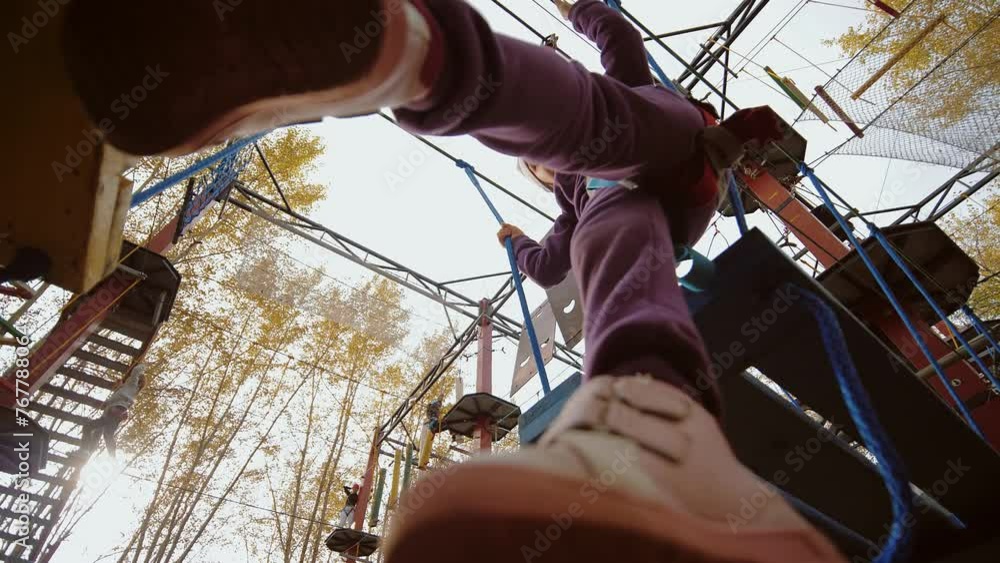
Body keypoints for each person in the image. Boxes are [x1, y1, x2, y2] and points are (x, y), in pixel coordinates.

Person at [62, 1, 845, 561]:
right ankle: (652, 416)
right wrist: (520, 243)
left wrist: (584, 11)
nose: (538, 170)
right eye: (536, 171)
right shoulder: (577, 200)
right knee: (608, 233)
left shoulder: (613, 116)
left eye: (533, 164)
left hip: (685, 145)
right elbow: (551, 263)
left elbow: (620, 44)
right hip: (638, 206)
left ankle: (414, 55)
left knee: (595, 121)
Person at [79, 364, 147, 458]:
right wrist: (107, 402)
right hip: (115, 414)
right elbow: (115, 399)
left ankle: (84, 451)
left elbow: (135, 372)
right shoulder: (128, 390)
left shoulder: (132, 385)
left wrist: (144, 365)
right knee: (108, 436)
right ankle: (112, 459)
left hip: (115, 412)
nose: (128, 379)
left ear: (137, 381)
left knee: (89, 427)